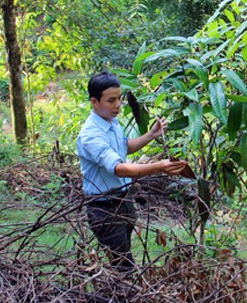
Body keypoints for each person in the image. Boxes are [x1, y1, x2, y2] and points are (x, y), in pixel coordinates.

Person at [77, 71, 187, 270]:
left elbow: (124, 147)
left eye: (119, 98)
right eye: (111, 100)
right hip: (104, 208)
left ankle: (122, 294)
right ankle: (120, 298)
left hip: (123, 200)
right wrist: (159, 167)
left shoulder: (112, 122)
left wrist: (151, 135)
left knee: (123, 256)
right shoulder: (91, 135)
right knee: (123, 267)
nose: (118, 104)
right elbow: (118, 168)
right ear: (94, 101)